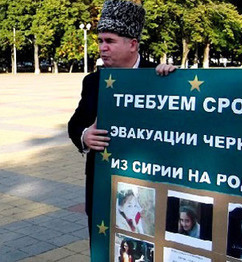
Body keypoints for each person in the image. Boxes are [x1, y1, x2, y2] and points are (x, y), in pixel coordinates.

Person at [68, 0, 176, 240]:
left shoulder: (158, 76)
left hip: (149, 186)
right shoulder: (93, 82)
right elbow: (75, 124)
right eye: (100, 41)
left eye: (110, 41)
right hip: (105, 187)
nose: (102, 48)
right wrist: (85, 135)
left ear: (133, 45)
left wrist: (173, 83)